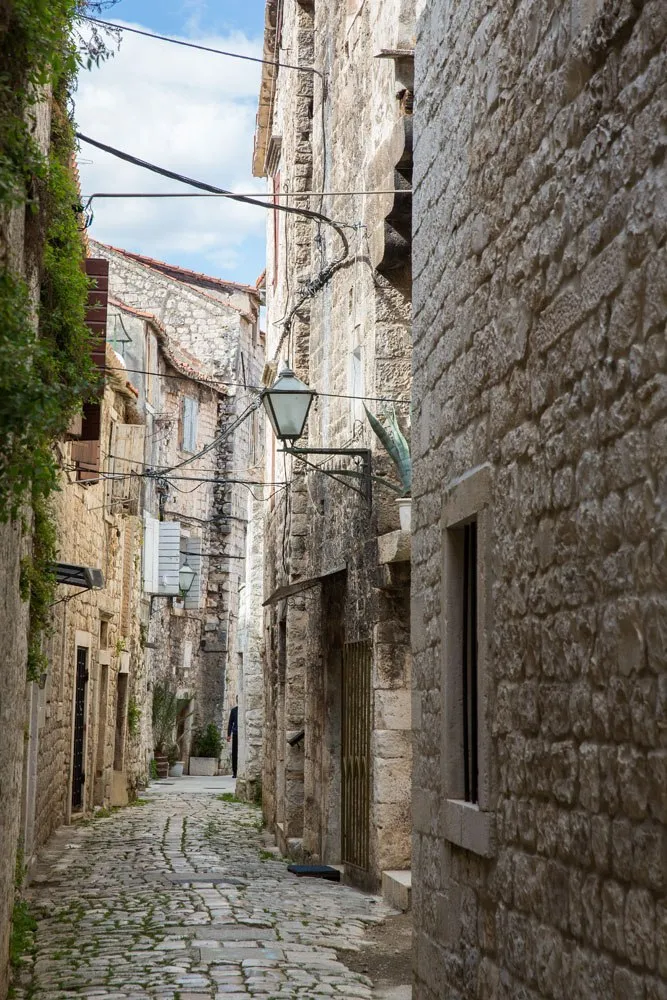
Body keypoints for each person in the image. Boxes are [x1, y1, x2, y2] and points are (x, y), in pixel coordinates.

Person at [227, 698, 238, 779]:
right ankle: (235, 772)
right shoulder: (234, 711)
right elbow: (230, 723)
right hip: (235, 734)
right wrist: (229, 735)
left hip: (241, 734)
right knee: (234, 753)